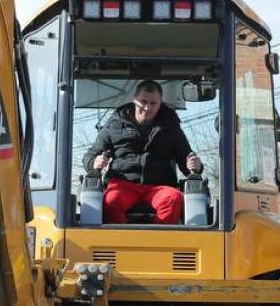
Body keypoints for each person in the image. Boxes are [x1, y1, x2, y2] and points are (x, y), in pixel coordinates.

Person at [83, 80, 203, 224]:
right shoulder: (114, 125)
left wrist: (195, 166)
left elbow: (187, 161)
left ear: (160, 104)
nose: (147, 108)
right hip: (123, 185)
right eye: (143, 101)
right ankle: (122, 243)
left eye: (153, 103)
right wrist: (94, 162)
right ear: (135, 100)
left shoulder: (171, 127)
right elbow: (89, 156)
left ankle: (157, 244)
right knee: (110, 201)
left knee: (174, 199)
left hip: (159, 186)